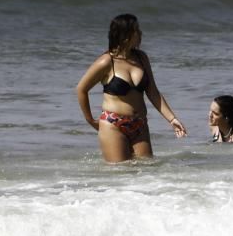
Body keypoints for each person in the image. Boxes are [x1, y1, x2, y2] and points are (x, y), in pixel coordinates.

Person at [75, 14, 187, 162]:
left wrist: (172, 119)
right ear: (125, 35)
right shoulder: (106, 61)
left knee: (147, 169)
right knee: (120, 174)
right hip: (113, 124)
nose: (140, 34)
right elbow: (81, 89)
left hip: (139, 124)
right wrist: (90, 120)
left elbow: (152, 92)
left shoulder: (141, 58)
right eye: (137, 30)